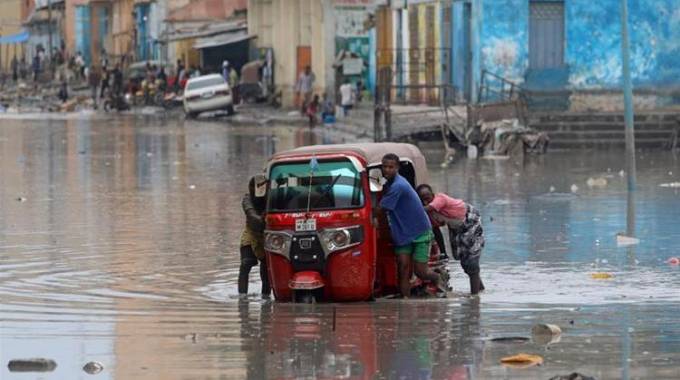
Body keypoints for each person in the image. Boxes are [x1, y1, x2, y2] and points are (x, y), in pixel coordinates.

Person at [378, 154, 446, 298]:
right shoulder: (388, 184)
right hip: (402, 233)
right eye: (385, 166)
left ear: (397, 168)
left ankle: (438, 278)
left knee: (421, 271)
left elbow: (381, 208)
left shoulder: (398, 186)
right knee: (403, 268)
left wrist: (371, 216)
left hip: (420, 231)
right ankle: (405, 301)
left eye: (391, 167)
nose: (387, 170)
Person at [416, 184, 485, 295]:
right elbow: (436, 232)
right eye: (421, 199)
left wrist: (412, 208)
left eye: (427, 198)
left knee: (471, 261)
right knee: (464, 262)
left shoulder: (440, 199)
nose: (425, 202)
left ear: (433, 195)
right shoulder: (430, 214)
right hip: (456, 228)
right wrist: (443, 252)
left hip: (470, 221)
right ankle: (480, 289)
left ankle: (474, 299)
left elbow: (428, 208)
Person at [239, 175, 271, 299]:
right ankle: (242, 297)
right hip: (251, 233)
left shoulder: (270, 198)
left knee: (266, 269)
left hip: (266, 235)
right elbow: (250, 213)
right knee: (246, 263)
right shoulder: (247, 199)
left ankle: (266, 296)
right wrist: (262, 219)